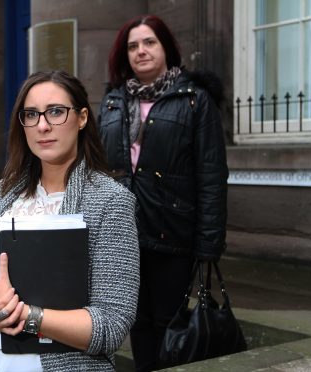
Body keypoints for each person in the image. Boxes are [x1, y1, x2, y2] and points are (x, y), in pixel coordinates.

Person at [0, 70, 140, 371]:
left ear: (82, 118)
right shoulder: (4, 192)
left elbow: (112, 324)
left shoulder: (110, 201)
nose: (43, 125)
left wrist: (25, 316)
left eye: (56, 112)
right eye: (31, 114)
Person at [98, 15, 229, 372]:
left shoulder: (194, 101)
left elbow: (211, 175)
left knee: (167, 324)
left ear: (166, 47)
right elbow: (99, 171)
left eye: (149, 42)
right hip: (123, 235)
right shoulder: (111, 103)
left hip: (173, 233)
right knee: (135, 323)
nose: (141, 51)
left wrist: (209, 243)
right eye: (132, 45)